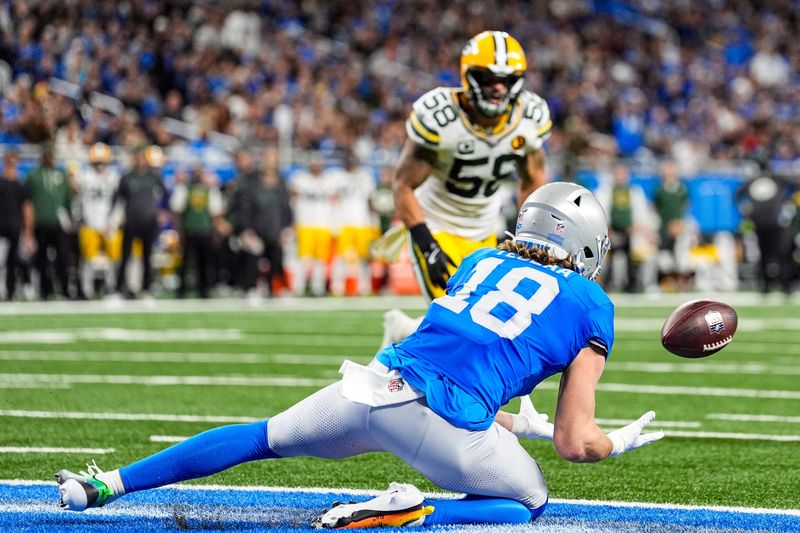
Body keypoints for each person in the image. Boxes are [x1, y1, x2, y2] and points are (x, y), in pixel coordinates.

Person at [56, 183, 663, 529]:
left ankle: (104, 484)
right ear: (583, 245)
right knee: (528, 502)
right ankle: (412, 511)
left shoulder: (481, 261)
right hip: (446, 428)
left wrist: (520, 420)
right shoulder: (591, 302)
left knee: (260, 435)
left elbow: (454, 362)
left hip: (374, 387)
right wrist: (619, 441)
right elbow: (573, 442)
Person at [380, 31, 552, 344]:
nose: (497, 87)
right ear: (468, 76)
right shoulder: (441, 116)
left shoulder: (530, 117)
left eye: (506, 78)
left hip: (484, 227)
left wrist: (528, 236)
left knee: (484, 319)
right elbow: (402, 185)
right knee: (460, 322)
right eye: (487, 78)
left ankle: (402, 330)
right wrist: (426, 243)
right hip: (436, 224)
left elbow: (532, 179)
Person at [111, 145, 166, 298]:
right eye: (137, 157)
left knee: (147, 258)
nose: (140, 161)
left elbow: (163, 197)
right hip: (130, 221)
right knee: (125, 257)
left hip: (148, 222)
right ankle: (118, 290)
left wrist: (161, 212)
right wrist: (115, 218)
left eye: (142, 158)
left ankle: (146, 290)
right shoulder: (127, 177)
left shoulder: (154, 177)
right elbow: (118, 200)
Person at [25, 143, 73, 300]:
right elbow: (28, 202)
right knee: (41, 260)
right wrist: (29, 228)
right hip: (41, 222)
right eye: (47, 155)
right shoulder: (34, 175)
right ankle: (45, 291)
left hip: (59, 223)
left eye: (51, 155)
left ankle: (64, 289)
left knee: (63, 258)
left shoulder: (61, 175)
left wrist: (68, 219)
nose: (49, 158)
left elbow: (67, 200)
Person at [328, 152, 379, 296]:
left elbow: (370, 200)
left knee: (363, 257)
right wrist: (334, 221)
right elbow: (334, 200)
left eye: (353, 160)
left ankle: (364, 286)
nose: (350, 162)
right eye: (348, 159)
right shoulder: (336, 177)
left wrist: (373, 221)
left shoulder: (365, 176)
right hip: (345, 222)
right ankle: (337, 286)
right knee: (341, 257)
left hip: (362, 222)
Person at [288, 153, 338, 297]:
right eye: (314, 163)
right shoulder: (300, 179)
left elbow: (334, 203)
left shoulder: (329, 181)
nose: (316, 166)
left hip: (323, 224)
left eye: (318, 163)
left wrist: (334, 224)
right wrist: (294, 223)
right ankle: (298, 287)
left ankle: (318, 287)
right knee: (304, 259)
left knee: (320, 260)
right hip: (305, 224)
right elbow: (293, 201)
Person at [75, 142, 121, 298]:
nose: (100, 165)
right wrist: (81, 218)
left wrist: (114, 220)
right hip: (90, 222)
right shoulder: (84, 176)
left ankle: (111, 288)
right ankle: (86, 290)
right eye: (97, 161)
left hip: (109, 223)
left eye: (102, 161)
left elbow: (119, 201)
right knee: (87, 259)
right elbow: (78, 200)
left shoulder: (114, 177)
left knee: (113, 258)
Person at [170, 167, 224, 298]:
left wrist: (215, 231)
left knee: (204, 262)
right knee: (185, 262)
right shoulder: (185, 189)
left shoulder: (210, 190)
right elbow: (177, 210)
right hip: (189, 230)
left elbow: (216, 212)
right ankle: (182, 290)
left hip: (205, 230)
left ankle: (204, 289)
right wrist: (179, 230)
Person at [0, 150, 33, 300]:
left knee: (15, 261)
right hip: (1, 226)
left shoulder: (21, 183)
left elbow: (27, 208)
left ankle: (11, 290)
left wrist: (28, 231)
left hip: (15, 226)